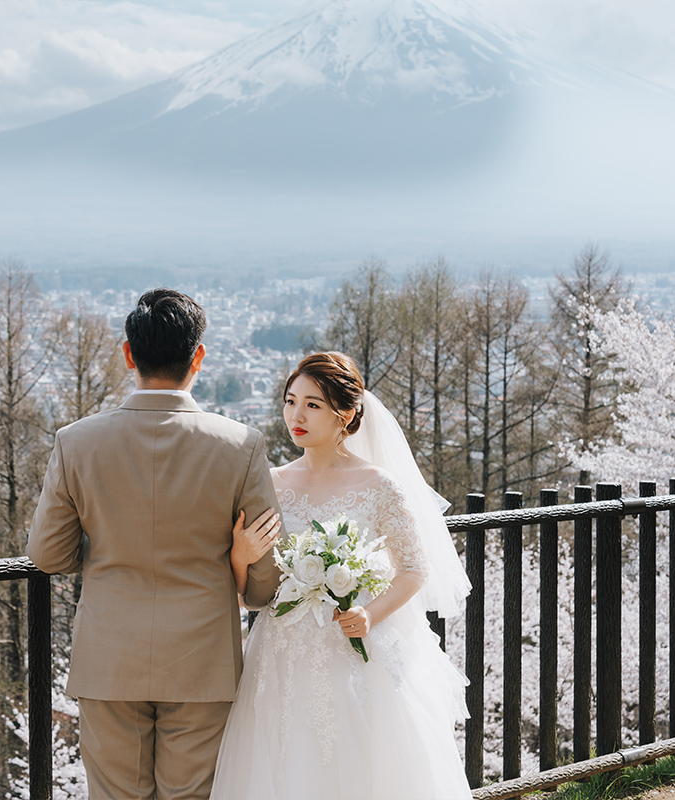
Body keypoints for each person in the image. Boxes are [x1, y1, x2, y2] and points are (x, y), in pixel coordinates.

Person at [27, 288, 284, 800]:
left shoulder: (76, 442)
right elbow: (262, 587)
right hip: (203, 658)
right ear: (199, 358)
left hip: (108, 654)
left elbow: (48, 555)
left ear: (128, 353)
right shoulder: (241, 445)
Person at [212, 351, 473, 800]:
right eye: (291, 401)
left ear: (345, 414)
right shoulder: (267, 484)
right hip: (281, 654)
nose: (296, 415)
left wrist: (370, 615)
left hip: (355, 652)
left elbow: (414, 569)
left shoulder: (378, 485)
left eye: (313, 405)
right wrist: (239, 558)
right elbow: (247, 594)